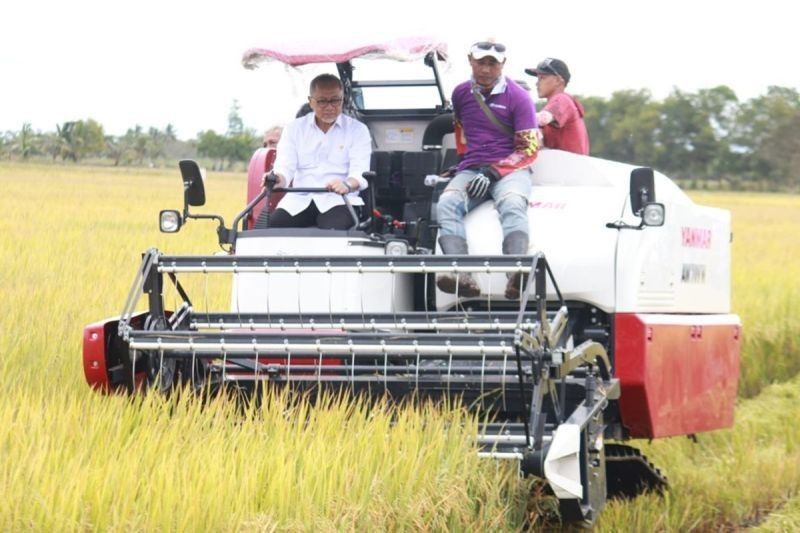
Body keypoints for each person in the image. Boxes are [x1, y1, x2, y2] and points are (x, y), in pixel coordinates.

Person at [437, 40, 540, 300]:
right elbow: (462, 131)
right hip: (473, 168)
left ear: (502, 64)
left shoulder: (519, 97)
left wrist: (495, 171)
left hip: (510, 169)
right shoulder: (460, 94)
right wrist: (462, 165)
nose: (485, 69)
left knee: (512, 203)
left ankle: (517, 270)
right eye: (481, 62)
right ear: (470, 60)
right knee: (447, 203)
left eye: (492, 63)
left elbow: (528, 149)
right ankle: (460, 274)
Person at [265, 74, 372, 230]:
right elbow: (285, 168)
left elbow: (360, 172)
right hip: (299, 200)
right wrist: (276, 180)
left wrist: (347, 185)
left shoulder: (358, 130)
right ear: (311, 102)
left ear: (343, 100)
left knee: (333, 230)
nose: (329, 107)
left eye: (335, 100)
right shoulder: (294, 129)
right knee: (272, 227)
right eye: (322, 101)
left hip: (340, 200)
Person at [525, 58, 589, 155]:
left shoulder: (562, 99)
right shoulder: (557, 104)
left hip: (568, 167)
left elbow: (542, 118)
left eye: (542, 78)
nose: (537, 83)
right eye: (538, 78)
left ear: (558, 81)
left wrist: (511, 117)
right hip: (567, 166)